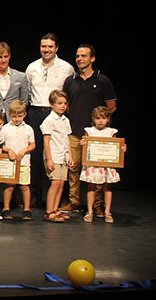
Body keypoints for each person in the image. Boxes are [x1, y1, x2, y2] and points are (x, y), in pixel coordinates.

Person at [61, 44, 117, 216]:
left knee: (98, 169)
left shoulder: (102, 80)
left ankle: (98, 205)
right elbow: (66, 104)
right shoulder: (71, 80)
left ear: (92, 59)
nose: (79, 59)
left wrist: (98, 124)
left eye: (83, 56)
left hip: (97, 136)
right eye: (77, 56)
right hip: (75, 132)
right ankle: (75, 202)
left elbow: (111, 106)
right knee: (74, 168)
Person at [25, 33, 74, 207]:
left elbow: (68, 93)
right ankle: (36, 195)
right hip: (36, 112)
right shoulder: (32, 67)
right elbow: (28, 91)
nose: (46, 50)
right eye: (43, 46)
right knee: (36, 157)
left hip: (57, 114)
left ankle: (62, 197)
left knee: (61, 156)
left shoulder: (66, 68)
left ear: (56, 48)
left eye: (50, 47)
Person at [81, 106, 125, 224]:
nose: (100, 120)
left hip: (107, 165)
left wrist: (122, 149)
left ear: (108, 120)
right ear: (93, 119)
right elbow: (86, 145)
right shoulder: (89, 131)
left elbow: (116, 147)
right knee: (91, 186)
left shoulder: (111, 132)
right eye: (98, 118)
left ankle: (107, 212)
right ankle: (90, 211)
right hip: (93, 164)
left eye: (103, 118)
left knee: (107, 187)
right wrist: (83, 143)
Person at [40, 90, 73, 223]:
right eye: (59, 103)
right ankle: (49, 212)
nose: (63, 106)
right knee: (55, 183)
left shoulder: (65, 120)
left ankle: (55, 208)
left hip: (63, 155)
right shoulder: (49, 120)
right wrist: (49, 159)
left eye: (65, 103)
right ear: (52, 104)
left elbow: (67, 139)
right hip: (54, 155)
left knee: (61, 183)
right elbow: (46, 141)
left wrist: (70, 155)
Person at [0, 100, 36, 220]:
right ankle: (6, 208)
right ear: (9, 114)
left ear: (24, 115)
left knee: (24, 186)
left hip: (24, 162)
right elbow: (0, 144)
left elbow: (33, 145)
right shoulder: (5, 128)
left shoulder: (28, 128)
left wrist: (24, 151)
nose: (16, 119)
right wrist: (9, 150)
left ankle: (26, 209)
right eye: (14, 116)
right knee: (9, 186)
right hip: (10, 163)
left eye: (19, 116)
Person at [0, 42, 29, 122]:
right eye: (0, 57)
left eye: (6, 56)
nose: (3, 60)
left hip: (14, 120)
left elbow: (24, 101)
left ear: (9, 56)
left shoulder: (21, 77)